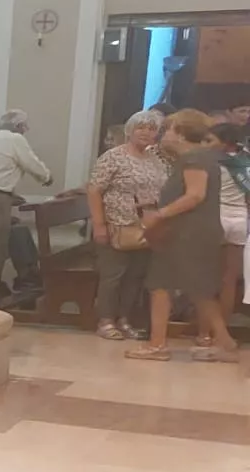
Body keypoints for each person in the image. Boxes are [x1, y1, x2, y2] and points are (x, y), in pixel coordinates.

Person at [127, 110, 237, 362]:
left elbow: (195, 195)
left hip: (187, 233)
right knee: (195, 288)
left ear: (181, 133)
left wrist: (159, 214)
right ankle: (224, 342)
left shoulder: (194, 158)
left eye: (169, 129)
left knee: (163, 285)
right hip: (191, 232)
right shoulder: (202, 157)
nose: (164, 134)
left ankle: (157, 345)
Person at [87, 110, 171, 340]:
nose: (146, 132)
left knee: (135, 277)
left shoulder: (156, 159)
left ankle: (124, 319)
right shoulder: (113, 157)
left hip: (146, 227)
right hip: (117, 224)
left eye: (151, 128)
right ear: (129, 130)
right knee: (113, 276)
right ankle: (105, 321)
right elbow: (94, 190)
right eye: (141, 127)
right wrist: (99, 225)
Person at [0, 109, 53, 292]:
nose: (27, 130)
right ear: (18, 126)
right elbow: (31, 163)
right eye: (25, 126)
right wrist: (47, 178)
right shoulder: (14, 139)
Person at [213, 122, 246, 312]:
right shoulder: (246, 163)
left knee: (210, 277)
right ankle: (222, 328)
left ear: (224, 142)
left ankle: (204, 331)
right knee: (230, 279)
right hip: (240, 220)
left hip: (217, 216)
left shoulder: (214, 164)